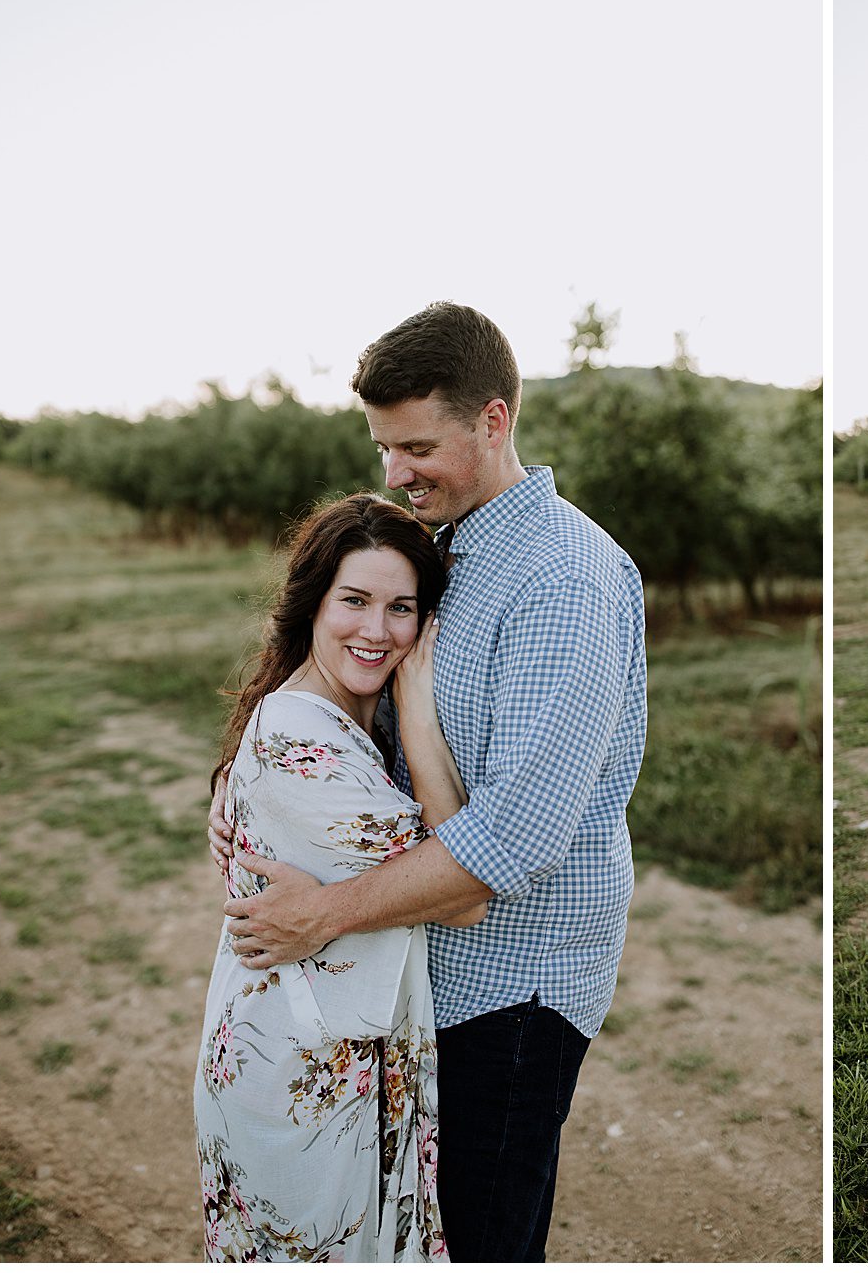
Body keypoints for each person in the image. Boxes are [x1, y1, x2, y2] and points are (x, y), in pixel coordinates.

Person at [209, 302, 649, 1262]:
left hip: (508, 991)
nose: (395, 474)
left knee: (484, 1244)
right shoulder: (450, 543)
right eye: (382, 448)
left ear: (494, 421)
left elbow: (507, 848)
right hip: (418, 985)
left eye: (415, 446)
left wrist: (322, 912)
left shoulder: (563, 579)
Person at [195, 492, 483, 1261]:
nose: (376, 630)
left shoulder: (342, 715)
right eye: (354, 600)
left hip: (331, 1058)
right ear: (312, 604)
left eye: (402, 608)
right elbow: (460, 888)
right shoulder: (302, 737)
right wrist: (419, 714)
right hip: (300, 1076)